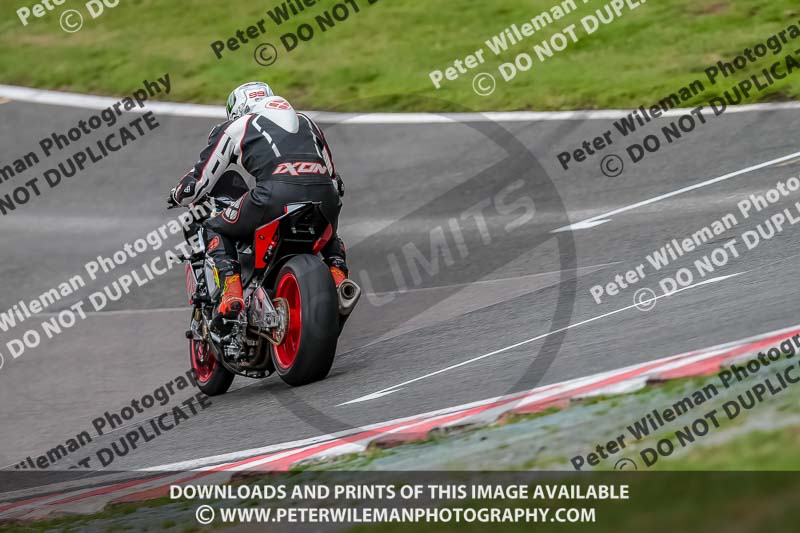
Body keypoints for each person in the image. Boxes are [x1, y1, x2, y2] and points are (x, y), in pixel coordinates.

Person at [169, 81, 348, 323]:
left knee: (214, 227)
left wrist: (177, 194)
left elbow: (196, 187)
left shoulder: (236, 126)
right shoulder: (308, 122)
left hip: (274, 196)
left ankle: (231, 291)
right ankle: (339, 278)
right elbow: (336, 183)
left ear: (238, 110)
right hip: (326, 197)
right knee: (328, 232)